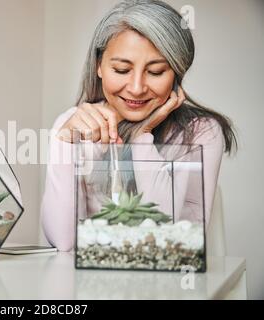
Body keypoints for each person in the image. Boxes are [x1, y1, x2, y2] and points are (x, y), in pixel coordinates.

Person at [40, 0, 237, 251]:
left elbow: (174, 239)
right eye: (122, 69)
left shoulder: (202, 132)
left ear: (176, 73)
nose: (136, 88)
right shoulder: (73, 125)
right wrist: (63, 142)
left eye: (155, 72)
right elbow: (64, 242)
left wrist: (141, 136)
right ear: (99, 65)